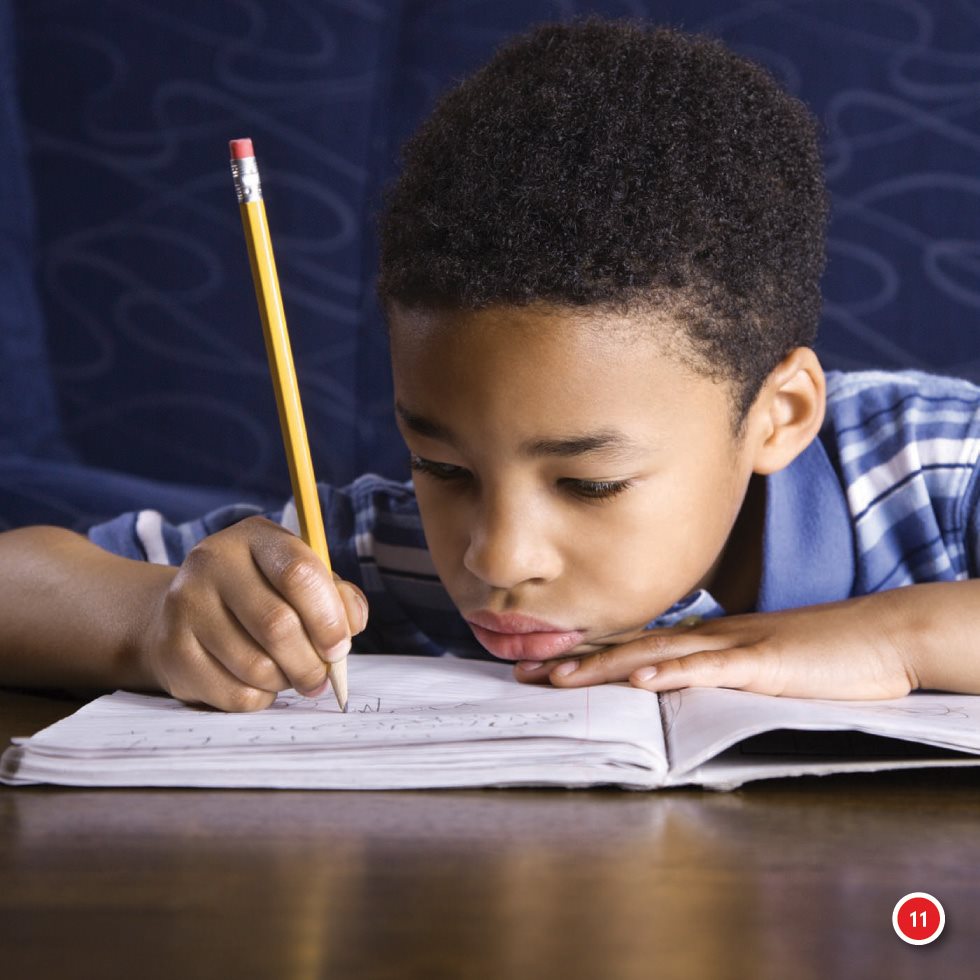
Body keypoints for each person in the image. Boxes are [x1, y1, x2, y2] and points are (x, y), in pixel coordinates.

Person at [1, 19, 979, 712]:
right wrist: (154, 616)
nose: (494, 556)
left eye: (588, 481)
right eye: (444, 468)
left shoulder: (931, 468)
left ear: (780, 413)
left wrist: (896, 637)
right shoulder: (386, 554)